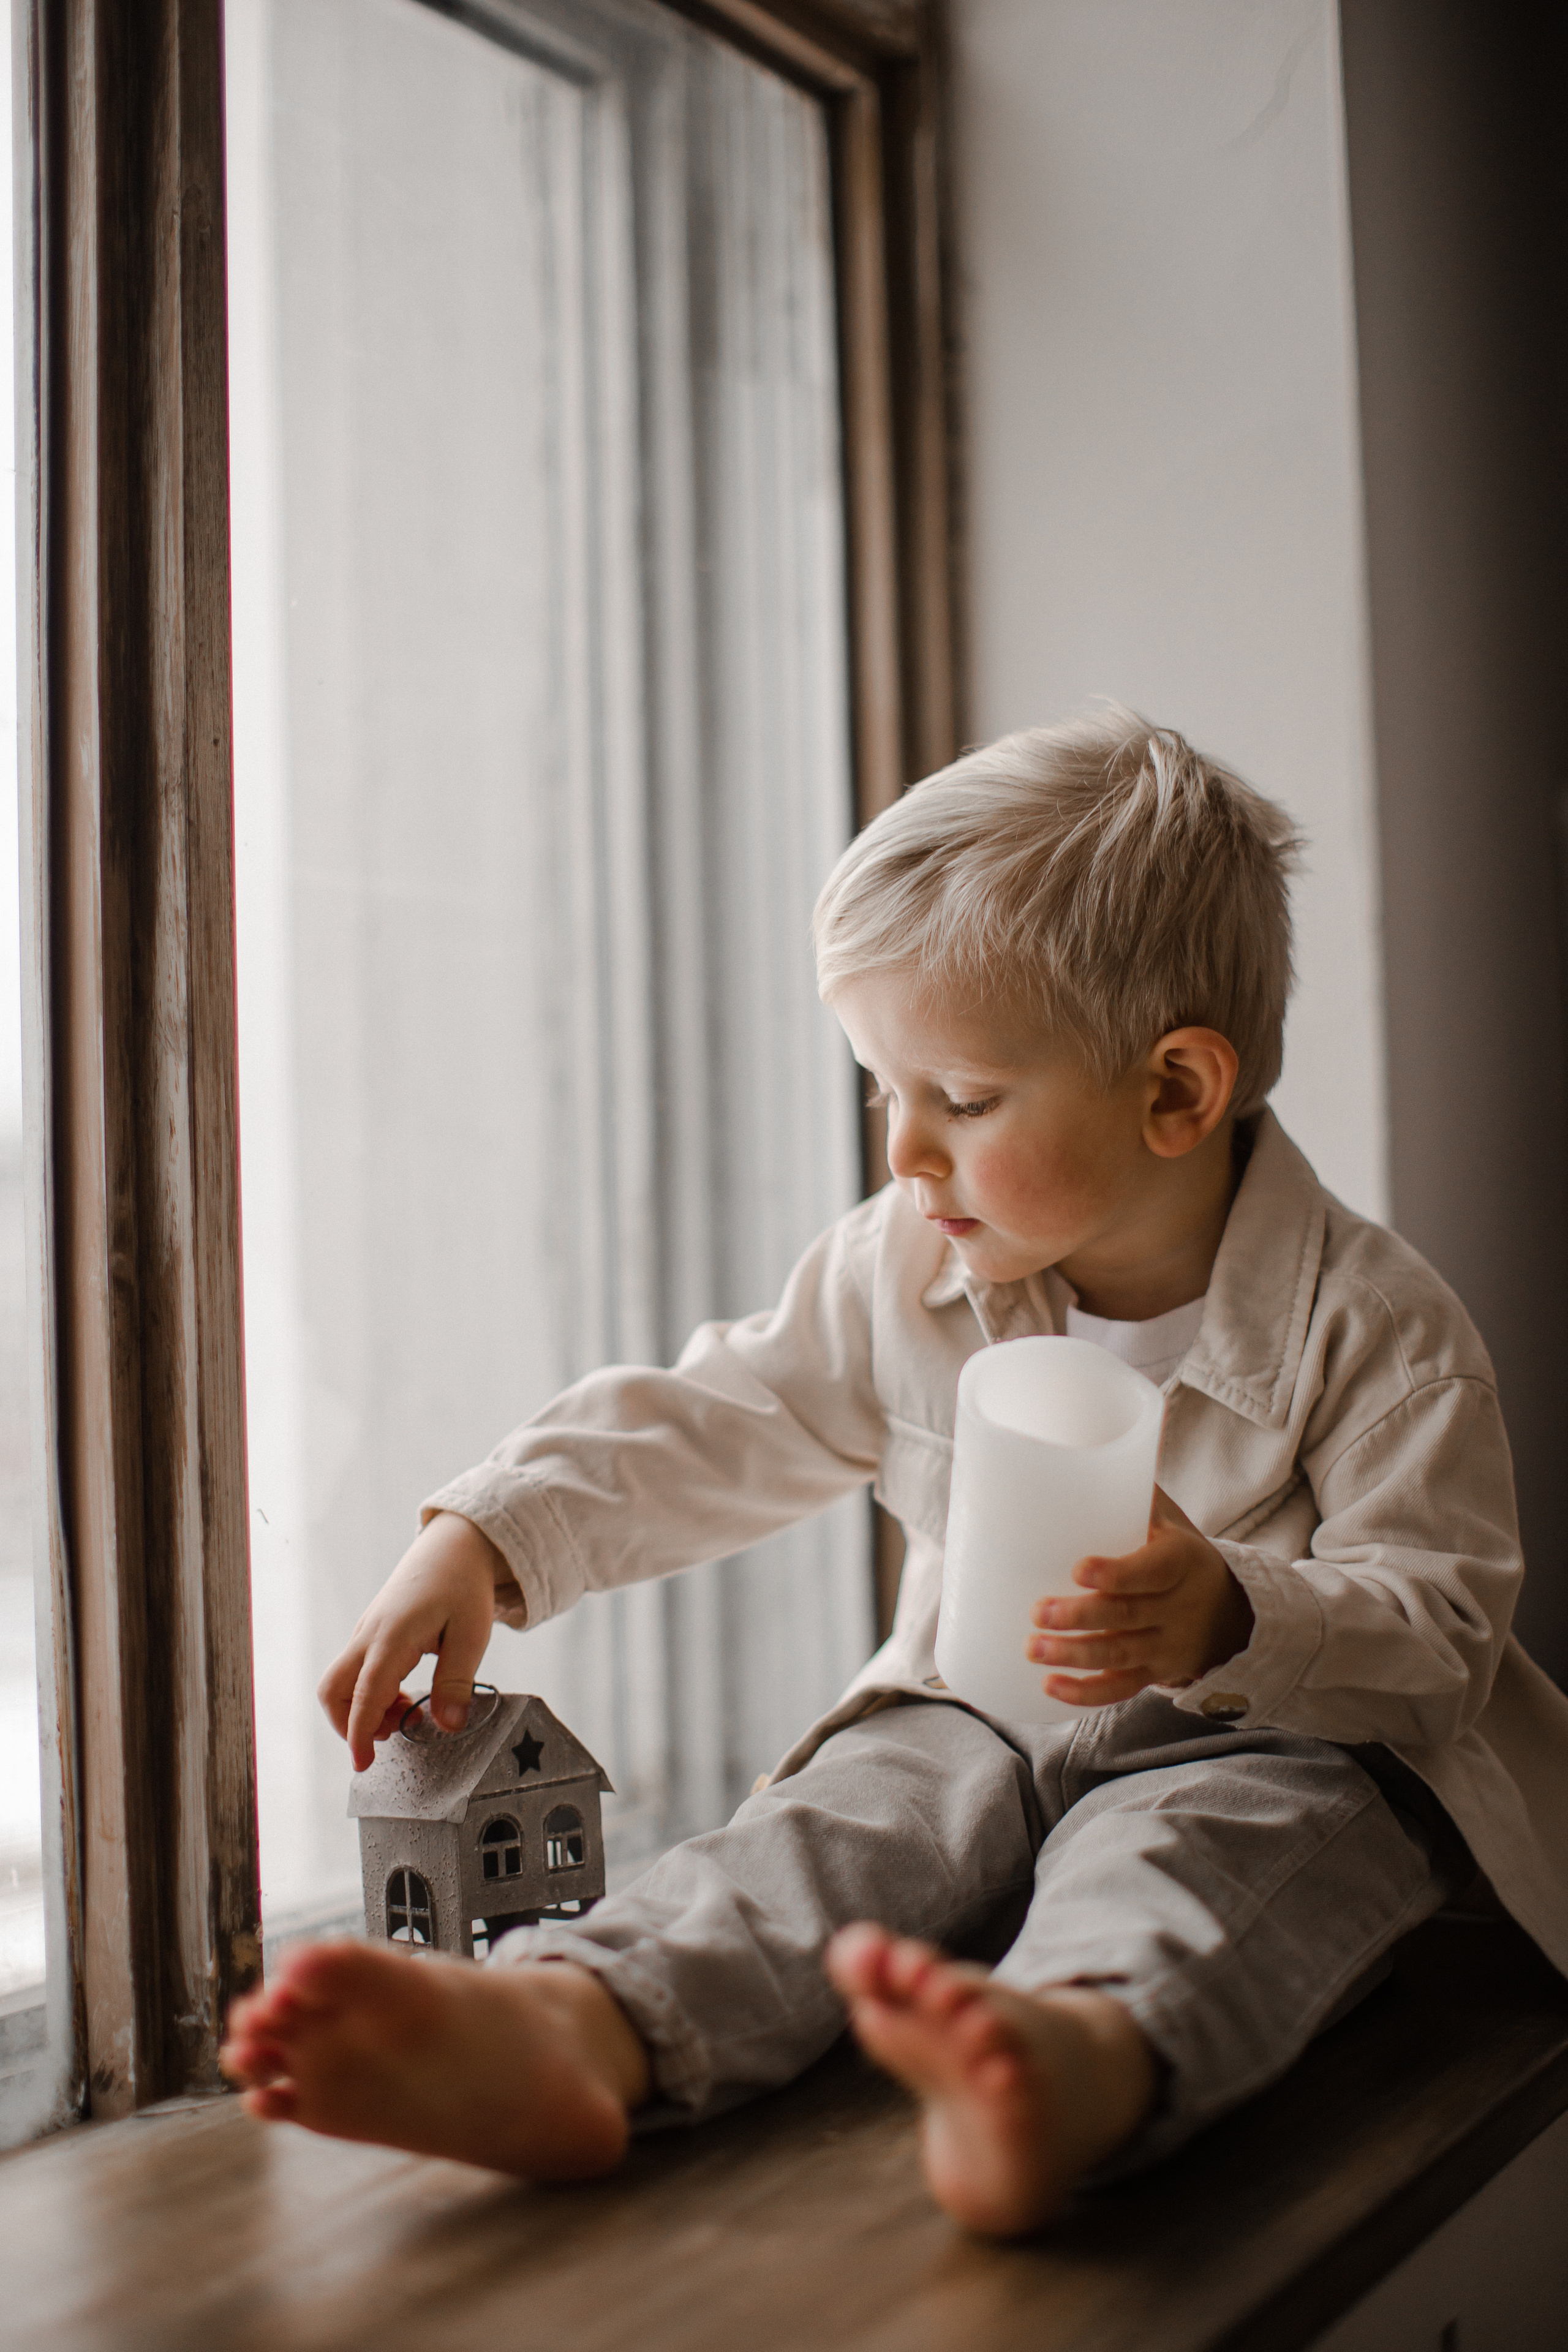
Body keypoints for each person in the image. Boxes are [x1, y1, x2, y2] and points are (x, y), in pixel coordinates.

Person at [221, 708, 1568, 2236]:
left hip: (1264, 1746)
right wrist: (493, 1530)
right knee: (838, 1823)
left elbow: (1444, 1636)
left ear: (1176, 1094)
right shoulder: (901, 1269)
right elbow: (725, 1409)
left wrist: (1237, 1619)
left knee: (1195, 1859)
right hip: (972, 1716)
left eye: (963, 1101)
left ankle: (1071, 2061)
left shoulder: (1376, 1331)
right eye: (883, 1091)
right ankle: (576, 2028)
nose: (904, 1155)